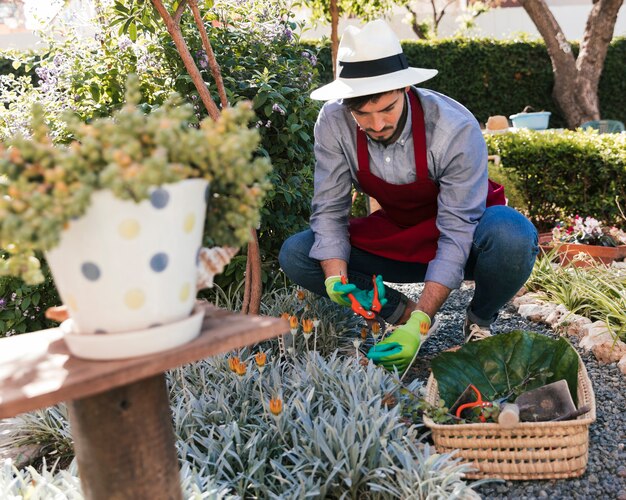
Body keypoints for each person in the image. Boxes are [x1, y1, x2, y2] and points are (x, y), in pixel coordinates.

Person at [279, 19, 538, 375]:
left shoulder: (453, 128)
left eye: (387, 109)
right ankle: (400, 314)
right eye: (363, 114)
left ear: (405, 88)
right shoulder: (333, 121)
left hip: (468, 236)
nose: (377, 124)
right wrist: (336, 278)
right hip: (400, 233)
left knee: (513, 234)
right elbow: (329, 210)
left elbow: (457, 229)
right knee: (298, 253)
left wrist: (423, 319)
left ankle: (478, 320)